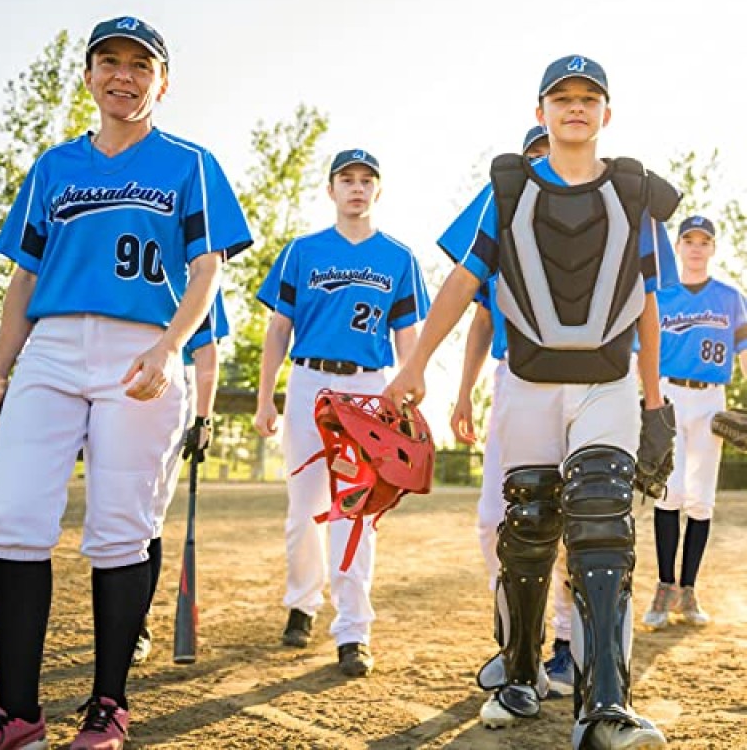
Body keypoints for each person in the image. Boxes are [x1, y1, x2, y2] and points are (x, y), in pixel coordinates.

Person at [0, 16, 252, 750]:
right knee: (15, 519)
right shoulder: (54, 168)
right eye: (109, 62)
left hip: (141, 350)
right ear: (89, 76)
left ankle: (108, 706)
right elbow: (24, 274)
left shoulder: (189, 163)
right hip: (51, 348)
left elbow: (209, 268)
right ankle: (19, 713)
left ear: (163, 81)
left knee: (121, 530)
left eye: (141, 65)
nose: (124, 75)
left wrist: (170, 346)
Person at [385, 55, 680, 749]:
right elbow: (463, 282)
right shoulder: (508, 189)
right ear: (541, 111)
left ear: (607, 113)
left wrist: (655, 403)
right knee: (529, 524)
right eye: (562, 98)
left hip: (607, 380)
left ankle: (605, 705)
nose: (575, 108)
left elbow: (648, 306)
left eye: (589, 98)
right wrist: (416, 364)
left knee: (604, 525)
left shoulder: (637, 193)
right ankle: (518, 677)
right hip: (526, 381)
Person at [253, 148, 430, 677]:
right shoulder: (301, 252)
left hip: (367, 391)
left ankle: (353, 630)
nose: (356, 187)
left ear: (379, 190)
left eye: (366, 179)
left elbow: (407, 335)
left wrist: (409, 383)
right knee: (304, 509)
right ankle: (301, 604)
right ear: (330, 190)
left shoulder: (398, 257)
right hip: (309, 381)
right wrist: (267, 397)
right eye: (346, 179)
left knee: (356, 513)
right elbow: (278, 330)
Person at [446, 125, 574, 697]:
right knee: (495, 521)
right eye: (536, 157)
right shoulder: (504, 204)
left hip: (582, 376)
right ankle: (519, 643)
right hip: (513, 375)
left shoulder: (588, 203)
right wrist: (463, 390)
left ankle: (569, 645)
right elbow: (477, 311)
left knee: (575, 524)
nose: (546, 166)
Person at [643, 215, 747, 630]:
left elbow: (743, 350)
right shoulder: (662, 297)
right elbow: (644, 353)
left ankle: (688, 590)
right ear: (680, 247)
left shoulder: (730, 297)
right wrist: (646, 402)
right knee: (669, 492)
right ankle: (665, 586)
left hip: (711, 401)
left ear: (713, 249)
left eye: (705, 241)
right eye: (689, 240)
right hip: (669, 396)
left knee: (701, 499)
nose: (697, 247)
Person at [132, 293, 229, 666]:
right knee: (111, 511)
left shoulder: (199, 275)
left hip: (170, 384)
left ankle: (135, 623)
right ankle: (124, 618)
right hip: (105, 373)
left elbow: (206, 350)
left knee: (146, 513)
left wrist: (203, 417)